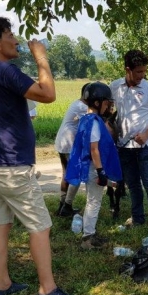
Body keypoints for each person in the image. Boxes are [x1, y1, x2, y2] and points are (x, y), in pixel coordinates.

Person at [0, 15, 81, 295]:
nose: (16, 40)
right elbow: (49, 94)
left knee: (0, 223)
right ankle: (48, 291)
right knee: (40, 226)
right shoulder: (6, 70)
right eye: (10, 35)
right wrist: (41, 58)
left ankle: (2, 284)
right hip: (12, 165)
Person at [110, 49, 148, 232]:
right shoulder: (115, 87)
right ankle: (137, 218)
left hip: (145, 146)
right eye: (139, 71)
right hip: (124, 146)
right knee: (132, 184)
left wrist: (146, 134)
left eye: (144, 71)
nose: (142, 75)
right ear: (128, 69)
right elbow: (110, 114)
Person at [65, 82, 122, 250]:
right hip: (94, 167)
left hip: (89, 166)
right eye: (107, 103)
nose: (108, 106)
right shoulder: (95, 122)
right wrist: (101, 171)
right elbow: (94, 149)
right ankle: (88, 238)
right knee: (94, 202)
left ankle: (90, 232)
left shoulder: (85, 119)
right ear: (97, 102)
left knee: (92, 201)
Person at [54, 85, 88, 217]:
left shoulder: (77, 103)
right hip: (68, 143)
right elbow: (97, 117)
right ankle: (67, 206)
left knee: (66, 174)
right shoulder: (82, 107)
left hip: (63, 141)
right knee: (75, 175)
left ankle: (62, 206)